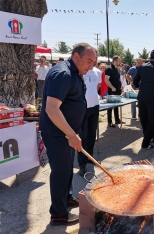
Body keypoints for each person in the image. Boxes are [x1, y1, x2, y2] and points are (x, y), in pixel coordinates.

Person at [39, 43, 97, 225]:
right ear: (76, 56)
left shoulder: (76, 73)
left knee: (67, 169)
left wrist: (74, 133)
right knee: (60, 172)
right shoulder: (62, 74)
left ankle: (67, 197)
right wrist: (71, 135)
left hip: (67, 133)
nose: (92, 66)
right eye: (89, 61)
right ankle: (58, 214)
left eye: (94, 62)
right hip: (58, 134)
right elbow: (52, 109)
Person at [133, 49, 154, 149]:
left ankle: (146, 138)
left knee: (143, 119)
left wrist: (142, 87)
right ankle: (145, 143)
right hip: (152, 99)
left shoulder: (142, 66)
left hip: (142, 97)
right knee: (152, 122)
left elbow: (135, 82)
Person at [78, 54, 102, 176]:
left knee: (92, 134)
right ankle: (82, 164)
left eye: (95, 59)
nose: (93, 61)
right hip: (83, 107)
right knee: (83, 136)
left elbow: (97, 87)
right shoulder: (82, 71)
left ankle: (90, 158)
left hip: (95, 105)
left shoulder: (98, 72)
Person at [105, 56, 122, 127]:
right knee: (110, 106)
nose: (120, 62)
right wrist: (112, 87)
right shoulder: (109, 69)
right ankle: (109, 122)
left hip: (118, 90)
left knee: (116, 105)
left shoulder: (117, 69)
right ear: (115, 61)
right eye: (119, 61)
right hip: (112, 90)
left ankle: (117, 119)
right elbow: (106, 79)